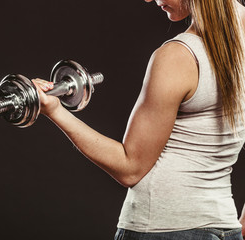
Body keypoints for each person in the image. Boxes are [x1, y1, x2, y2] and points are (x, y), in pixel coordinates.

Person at [32, 0, 245, 239]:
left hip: (161, 229)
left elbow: (130, 168)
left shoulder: (178, 56)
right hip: (226, 228)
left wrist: (55, 111)